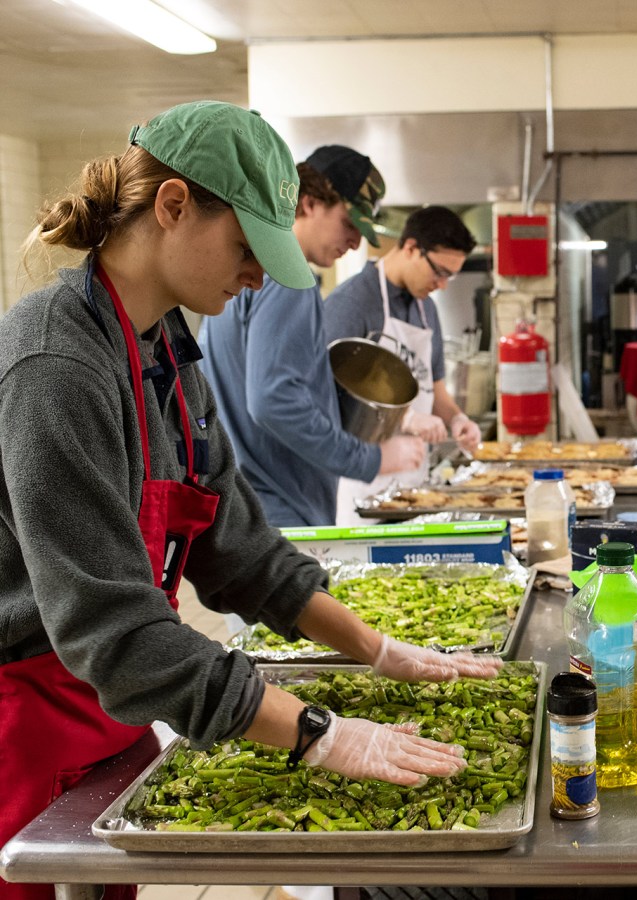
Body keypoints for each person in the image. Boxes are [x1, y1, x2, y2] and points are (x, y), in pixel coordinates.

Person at [0, 101, 501, 900]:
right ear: (172, 207)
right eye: (245, 247)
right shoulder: (56, 366)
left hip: (114, 718)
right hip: (26, 730)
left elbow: (235, 547)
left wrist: (373, 648)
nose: (259, 276)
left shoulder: (169, 352)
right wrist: (315, 733)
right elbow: (113, 634)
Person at [198, 144, 426, 527]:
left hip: (243, 509)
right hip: (278, 513)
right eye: (348, 224)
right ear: (307, 203)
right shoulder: (290, 279)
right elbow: (274, 400)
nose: (355, 242)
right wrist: (374, 458)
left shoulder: (249, 273)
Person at [324, 205, 482, 525]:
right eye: (440, 272)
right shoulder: (351, 303)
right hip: (361, 487)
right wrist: (407, 419)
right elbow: (327, 394)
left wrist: (457, 419)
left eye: (450, 276)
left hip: (412, 483)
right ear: (411, 248)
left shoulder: (427, 310)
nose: (443, 285)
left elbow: (433, 385)